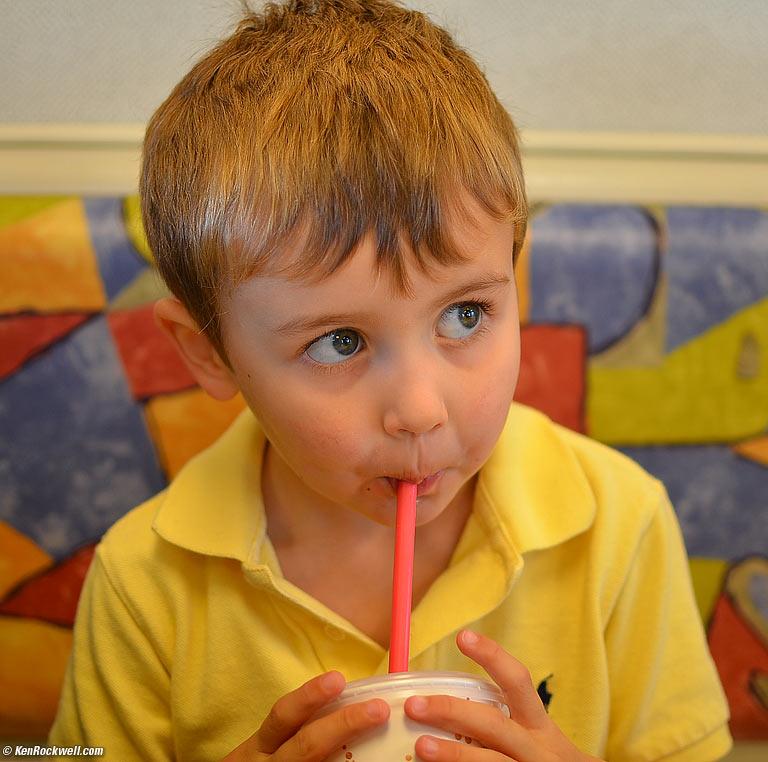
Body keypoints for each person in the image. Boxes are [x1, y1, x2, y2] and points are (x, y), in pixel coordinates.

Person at [49, 1, 732, 760]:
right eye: (338, 342)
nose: (419, 409)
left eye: (466, 315)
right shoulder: (143, 582)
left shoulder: (618, 526)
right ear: (208, 351)